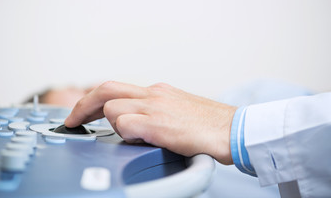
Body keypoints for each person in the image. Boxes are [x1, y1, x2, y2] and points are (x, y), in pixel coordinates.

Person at [63, 81, 331, 198]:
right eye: (88, 130)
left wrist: (229, 126)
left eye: (98, 112)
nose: (114, 119)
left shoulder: (255, 93)